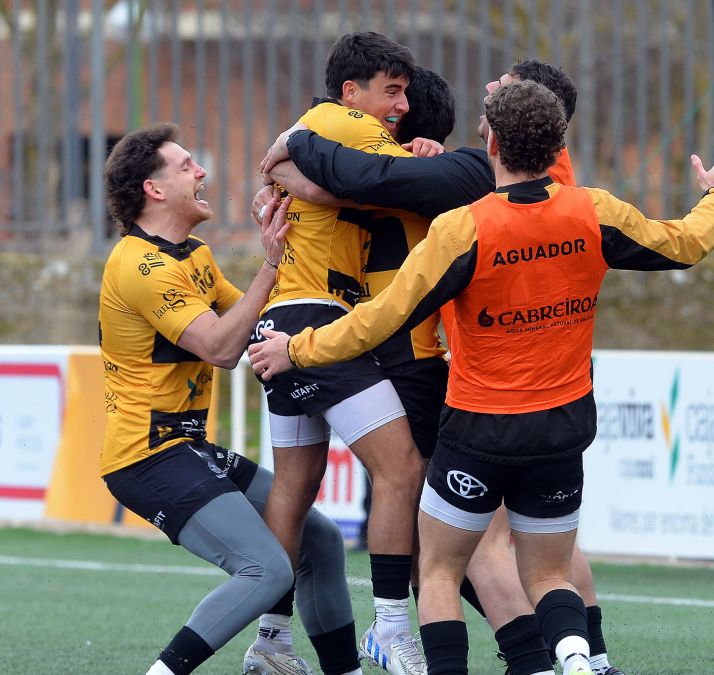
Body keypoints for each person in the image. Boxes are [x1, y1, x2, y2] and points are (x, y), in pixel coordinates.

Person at [248, 79, 714, 675]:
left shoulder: (464, 228)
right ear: (555, 144)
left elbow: (380, 319)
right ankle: (577, 655)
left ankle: (449, 649)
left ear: (491, 144)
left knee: (439, 570)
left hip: (479, 430)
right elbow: (685, 244)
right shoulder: (593, 209)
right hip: (563, 425)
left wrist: (298, 348)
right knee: (550, 573)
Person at [97, 122, 358, 675]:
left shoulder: (193, 254)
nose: (202, 171)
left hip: (186, 446)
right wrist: (270, 264)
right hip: (146, 455)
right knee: (266, 569)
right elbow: (220, 347)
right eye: (186, 165)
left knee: (320, 539)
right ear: (154, 189)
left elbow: (260, 320)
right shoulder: (139, 264)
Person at [248, 31, 427, 675]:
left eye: (405, 93)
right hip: (315, 321)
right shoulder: (346, 123)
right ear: (351, 92)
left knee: (295, 487)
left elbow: (328, 185)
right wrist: (424, 159)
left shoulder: (318, 127)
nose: (401, 106)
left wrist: (279, 165)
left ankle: (271, 640)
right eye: (392, 91)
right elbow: (402, 184)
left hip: (282, 318)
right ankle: (390, 627)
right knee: (402, 469)